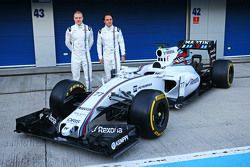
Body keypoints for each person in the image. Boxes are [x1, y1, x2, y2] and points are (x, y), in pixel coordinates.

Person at [65, 11, 94, 91]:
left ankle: (89, 91)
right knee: (75, 76)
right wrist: (73, 50)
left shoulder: (88, 29)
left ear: (82, 18)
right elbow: (67, 43)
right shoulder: (70, 29)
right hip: (75, 55)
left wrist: (87, 49)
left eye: (80, 18)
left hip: (85, 55)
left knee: (88, 75)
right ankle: (76, 92)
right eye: (76, 18)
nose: (78, 19)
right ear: (74, 19)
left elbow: (91, 41)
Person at [97, 14, 126, 81]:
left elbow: (121, 42)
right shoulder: (101, 32)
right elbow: (99, 45)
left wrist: (123, 54)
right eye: (107, 20)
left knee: (117, 74)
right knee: (108, 75)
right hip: (106, 55)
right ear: (104, 21)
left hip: (115, 55)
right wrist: (100, 57)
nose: (109, 21)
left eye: (110, 19)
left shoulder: (117, 30)